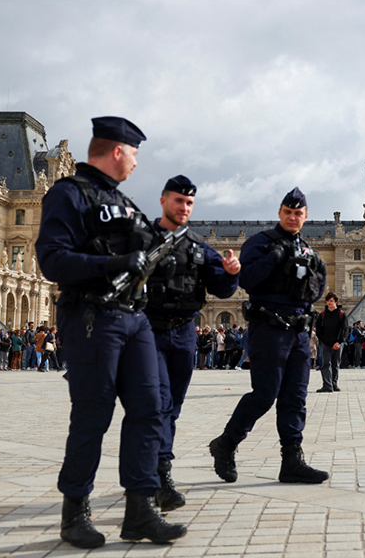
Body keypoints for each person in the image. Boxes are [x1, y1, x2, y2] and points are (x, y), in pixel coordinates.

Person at [35, 116, 186, 548]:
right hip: (91, 316)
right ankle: (75, 511)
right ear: (117, 151)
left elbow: (145, 251)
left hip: (134, 319)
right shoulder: (69, 194)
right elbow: (52, 260)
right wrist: (113, 264)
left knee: (150, 410)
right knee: (93, 414)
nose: (137, 163)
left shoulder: (122, 201)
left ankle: (140, 509)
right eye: (134, 154)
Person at [209, 187, 328, 485]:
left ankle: (292, 460)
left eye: (298, 213)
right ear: (280, 213)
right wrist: (275, 257)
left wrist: (314, 267)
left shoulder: (308, 252)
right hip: (269, 329)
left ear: (306, 216)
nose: (292, 217)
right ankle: (226, 443)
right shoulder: (260, 243)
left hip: (299, 332)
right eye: (288, 212)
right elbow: (246, 280)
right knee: (264, 394)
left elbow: (317, 291)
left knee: (295, 397)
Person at [144, 175, 240, 512]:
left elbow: (222, 289)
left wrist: (231, 272)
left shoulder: (199, 246)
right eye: (178, 200)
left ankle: (154, 472)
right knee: (156, 404)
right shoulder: (142, 239)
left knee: (172, 406)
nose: (184, 207)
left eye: (189, 203)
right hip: (149, 330)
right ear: (163, 201)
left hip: (185, 332)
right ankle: (158, 475)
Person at [314, 292, 346, 392]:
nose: (329, 302)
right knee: (326, 364)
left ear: (336, 302)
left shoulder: (342, 314)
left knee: (335, 364)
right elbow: (318, 329)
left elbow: (345, 329)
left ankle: (334, 384)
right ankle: (327, 385)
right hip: (326, 343)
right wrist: (322, 340)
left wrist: (339, 342)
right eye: (327, 301)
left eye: (331, 301)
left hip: (337, 343)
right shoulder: (323, 314)